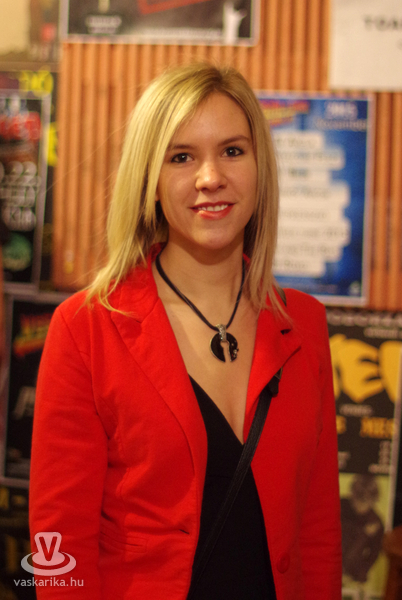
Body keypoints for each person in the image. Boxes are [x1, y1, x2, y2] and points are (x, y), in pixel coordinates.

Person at [29, 63, 342, 599]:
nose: (210, 177)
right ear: (149, 180)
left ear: (260, 168)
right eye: (181, 157)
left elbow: (317, 532)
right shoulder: (88, 327)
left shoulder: (304, 322)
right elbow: (59, 546)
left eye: (232, 151)